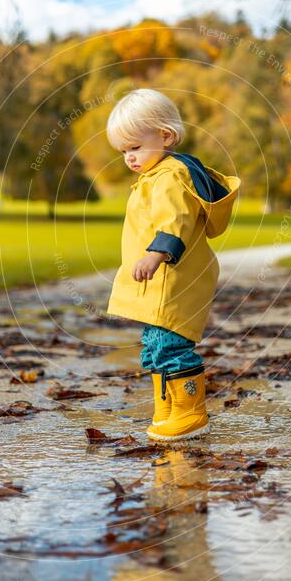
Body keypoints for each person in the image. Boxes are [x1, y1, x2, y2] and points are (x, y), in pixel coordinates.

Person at [105, 89, 241, 441]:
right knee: (154, 344)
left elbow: (174, 220)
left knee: (170, 345)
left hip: (172, 276)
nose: (129, 158)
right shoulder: (154, 175)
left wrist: (156, 254)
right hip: (161, 282)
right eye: (123, 152)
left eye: (135, 147)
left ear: (165, 136)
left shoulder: (169, 176)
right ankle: (166, 408)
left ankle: (190, 412)